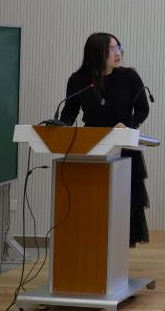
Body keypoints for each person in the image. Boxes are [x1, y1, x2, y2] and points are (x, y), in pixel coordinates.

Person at [60, 32, 151, 247]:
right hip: (92, 149)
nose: (118, 52)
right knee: (92, 204)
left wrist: (128, 125)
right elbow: (69, 111)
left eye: (119, 47)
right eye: (111, 49)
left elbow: (143, 109)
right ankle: (91, 251)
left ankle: (116, 255)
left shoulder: (129, 77)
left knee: (123, 206)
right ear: (96, 53)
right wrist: (60, 126)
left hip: (123, 149)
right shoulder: (79, 80)